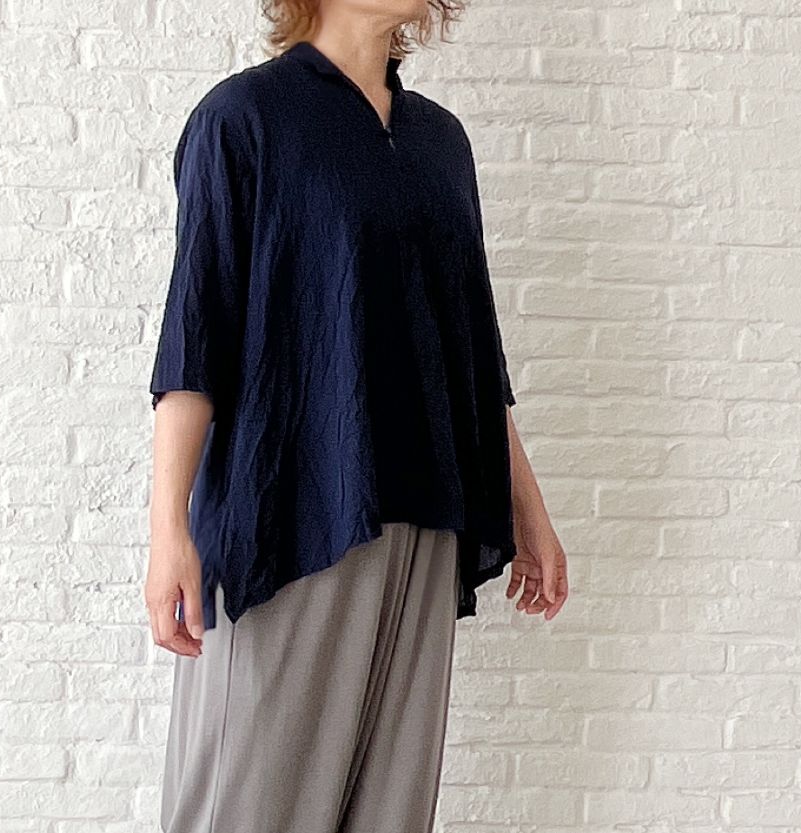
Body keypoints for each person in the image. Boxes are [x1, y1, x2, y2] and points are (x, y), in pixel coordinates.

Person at [145, 1, 570, 831]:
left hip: (428, 519)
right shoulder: (244, 119)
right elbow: (196, 338)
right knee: (248, 807)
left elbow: (472, 350)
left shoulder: (440, 143)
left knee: (389, 814)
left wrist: (530, 509)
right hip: (292, 517)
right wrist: (168, 530)